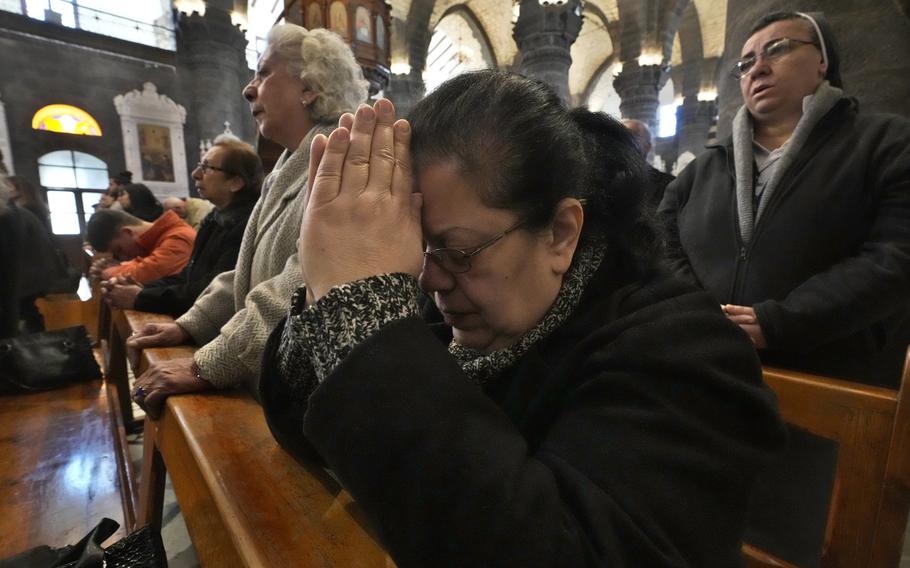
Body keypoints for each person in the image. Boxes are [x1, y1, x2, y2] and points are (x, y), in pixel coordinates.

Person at [256, 73, 785, 566]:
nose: (432, 282)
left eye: (457, 251)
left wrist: (362, 318)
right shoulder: (454, 311)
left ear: (560, 232)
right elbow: (301, 429)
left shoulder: (686, 356)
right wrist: (336, 298)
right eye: (418, 253)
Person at [659, 11, 910, 387]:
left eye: (777, 49)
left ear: (822, 61)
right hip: (705, 371)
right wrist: (704, 316)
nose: (757, 69)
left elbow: (895, 253)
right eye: (745, 63)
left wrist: (778, 321)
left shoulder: (884, 143)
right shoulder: (702, 171)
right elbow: (661, 247)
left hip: (830, 380)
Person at [127, 24, 368, 406]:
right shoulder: (289, 165)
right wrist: (191, 324)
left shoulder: (345, 161)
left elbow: (302, 282)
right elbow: (247, 273)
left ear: (309, 87)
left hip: (310, 399)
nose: (248, 88)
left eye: (265, 72)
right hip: (270, 380)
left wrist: (208, 362)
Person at [104, 139, 262, 315]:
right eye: (199, 165)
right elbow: (188, 276)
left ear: (235, 182)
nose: (195, 174)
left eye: (207, 168)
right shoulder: (214, 218)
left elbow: (215, 292)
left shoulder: (245, 225)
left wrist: (142, 297)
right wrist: (143, 288)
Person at [87, 208, 195, 284]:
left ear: (128, 232)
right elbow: (142, 264)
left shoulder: (179, 237)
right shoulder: (153, 242)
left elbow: (148, 271)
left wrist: (106, 271)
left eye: (119, 250)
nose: (124, 257)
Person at [622, 118, 675, 212]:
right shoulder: (607, 181)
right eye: (621, 137)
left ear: (647, 146)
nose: (624, 142)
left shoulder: (668, 184)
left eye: (631, 136)